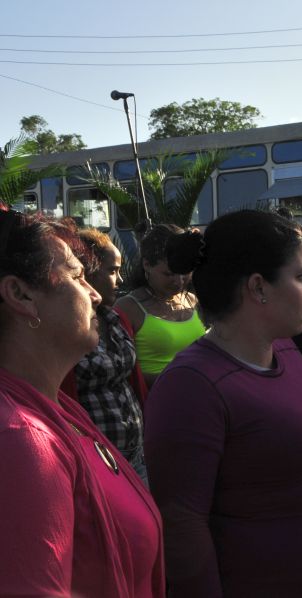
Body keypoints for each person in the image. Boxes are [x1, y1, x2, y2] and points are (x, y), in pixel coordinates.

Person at [143, 210, 302, 597]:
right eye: (300, 276)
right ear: (258, 287)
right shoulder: (192, 386)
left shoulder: (285, 349)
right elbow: (182, 528)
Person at [0, 210, 164, 597]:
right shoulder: (21, 439)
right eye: (76, 277)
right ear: (21, 295)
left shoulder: (56, 408)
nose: (93, 292)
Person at [62, 227, 150, 482]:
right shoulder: (65, 329)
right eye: (112, 271)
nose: (120, 281)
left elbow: (134, 383)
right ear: (86, 274)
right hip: (93, 458)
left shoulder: (116, 319)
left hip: (135, 454)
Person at [116, 223, 204, 386]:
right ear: (147, 265)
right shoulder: (128, 308)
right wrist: (179, 378)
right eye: (168, 273)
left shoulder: (192, 300)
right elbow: (121, 372)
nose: (178, 281)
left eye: (185, 271)